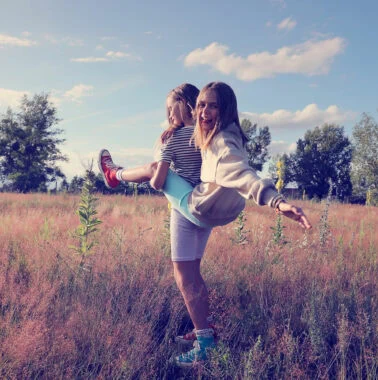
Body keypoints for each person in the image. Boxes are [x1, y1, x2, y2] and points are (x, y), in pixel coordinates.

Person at [100, 82, 312, 368]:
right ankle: (206, 330)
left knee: (184, 274)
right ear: (193, 107)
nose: (204, 111)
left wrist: (276, 200)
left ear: (225, 109)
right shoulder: (212, 135)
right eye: (201, 105)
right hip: (215, 212)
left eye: (212, 105)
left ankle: (114, 174)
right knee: (193, 273)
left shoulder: (217, 141)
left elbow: (239, 172)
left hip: (194, 207)